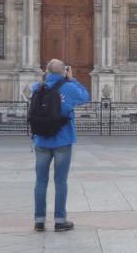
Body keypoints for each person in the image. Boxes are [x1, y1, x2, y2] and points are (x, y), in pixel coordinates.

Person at [30, 59, 91, 232]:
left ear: (46, 71)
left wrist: (44, 79)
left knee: (41, 181)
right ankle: (59, 219)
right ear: (64, 71)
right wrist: (72, 79)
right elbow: (85, 97)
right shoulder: (69, 87)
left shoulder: (37, 87)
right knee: (60, 181)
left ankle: (39, 220)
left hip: (41, 139)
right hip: (63, 139)